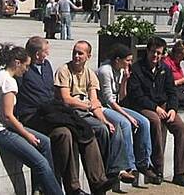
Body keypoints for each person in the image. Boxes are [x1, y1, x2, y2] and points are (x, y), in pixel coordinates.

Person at [14, 36, 111, 195]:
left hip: (51, 112)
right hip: (32, 116)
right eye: (45, 51)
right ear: (37, 54)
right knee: (65, 133)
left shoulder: (46, 66)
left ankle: (98, 182)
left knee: (83, 129)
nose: (48, 54)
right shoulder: (24, 69)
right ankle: (73, 188)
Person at [0, 43, 62, 195]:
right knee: (41, 164)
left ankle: (41, 188)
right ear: (17, 63)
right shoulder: (9, 82)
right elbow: (9, 116)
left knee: (45, 142)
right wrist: (27, 135)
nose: (27, 70)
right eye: (26, 66)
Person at [54, 41, 132, 184]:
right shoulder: (64, 71)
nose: (76, 56)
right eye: (75, 52)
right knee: (100, 129)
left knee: (111, 128)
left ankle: (115, 169)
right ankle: (109, 170)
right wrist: (87, 104)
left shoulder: (89, 74)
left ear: (88, 56)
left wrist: (105, 120)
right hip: (70, 113)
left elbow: (95, 102)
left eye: (80, 53)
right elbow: (66, 99)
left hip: (86, 112)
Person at [124, 36, 184, 188]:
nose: (155, 56)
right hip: (143, 106)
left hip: (163, 106)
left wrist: (172, 109)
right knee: (155, 121)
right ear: (147, 51)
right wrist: (155, 108)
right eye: (152, 52)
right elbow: (136, 95)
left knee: (181, 128)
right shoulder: (137, 69)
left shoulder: (165, 69)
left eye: (158, 53)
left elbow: (171, 92)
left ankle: (180, 172)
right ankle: (158, 169)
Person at [96, 44, 160, 185]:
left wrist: (125, 80)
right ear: (118, 60)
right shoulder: (105, 71)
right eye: (128, 60)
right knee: (125, 123)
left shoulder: (121, 70)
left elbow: (122, 97)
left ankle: (144, 163)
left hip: (116, 105)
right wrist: (128, 116)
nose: (130, 63)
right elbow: (109, 100)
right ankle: (129, 166)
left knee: (144, 122)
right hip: (103, 107)